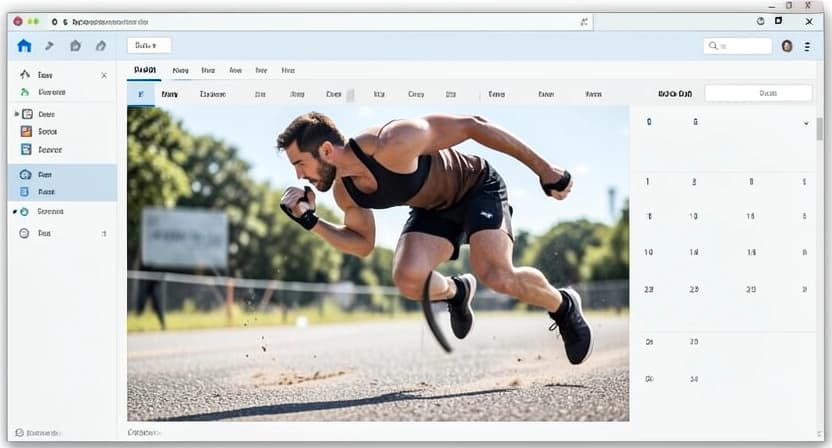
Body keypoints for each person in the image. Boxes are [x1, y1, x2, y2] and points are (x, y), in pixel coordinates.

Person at [276, 112, 592, 364]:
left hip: (475, 187)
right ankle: (457, 291)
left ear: (327, 151)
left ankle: (563, 305)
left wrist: (545, 169)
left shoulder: (393, 140)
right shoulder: (346, 191)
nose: (299, 176)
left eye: (300, 163)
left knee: (495, 274)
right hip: (433, 209)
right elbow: (362, 244)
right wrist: (311, 221)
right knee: (408, 278)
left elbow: (473, 125)